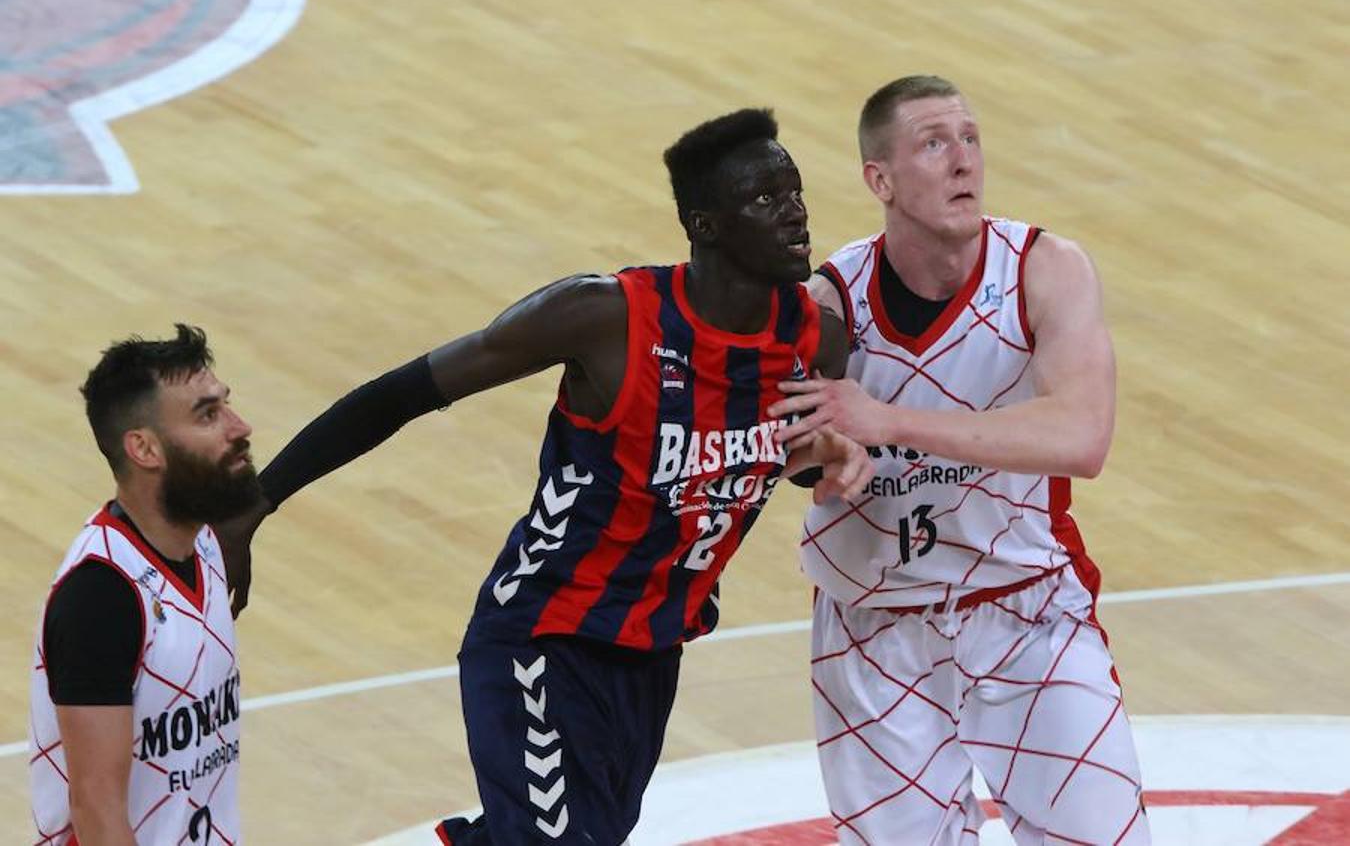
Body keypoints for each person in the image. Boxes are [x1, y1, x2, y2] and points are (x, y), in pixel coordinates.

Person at [216, 108, 872, 845]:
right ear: (706, 225)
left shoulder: (815, 341)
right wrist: (257, 503)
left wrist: (827, 454)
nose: (794, 213)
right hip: (542, 632)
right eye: (764, 198)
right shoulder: (604, 317)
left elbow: (767, 463)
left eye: (795, 191)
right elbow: (402, 394)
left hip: (653, 652)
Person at [769, 76, 1150, 844]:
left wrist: (887, 422)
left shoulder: (1045, 268)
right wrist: (819, 452)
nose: (962, 160)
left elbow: (1083, 437)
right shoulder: (830, 301)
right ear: (880, 180)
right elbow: (791, 443)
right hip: (873, 629)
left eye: (970, 139)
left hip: (1026, 609)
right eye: (934, 143)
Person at [29, 324, 258, 846]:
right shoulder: (101, 597)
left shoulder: (201, 539)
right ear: (145, 448)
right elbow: (97, 811)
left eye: (226, 404)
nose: (239, 426)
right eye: (208, 415)